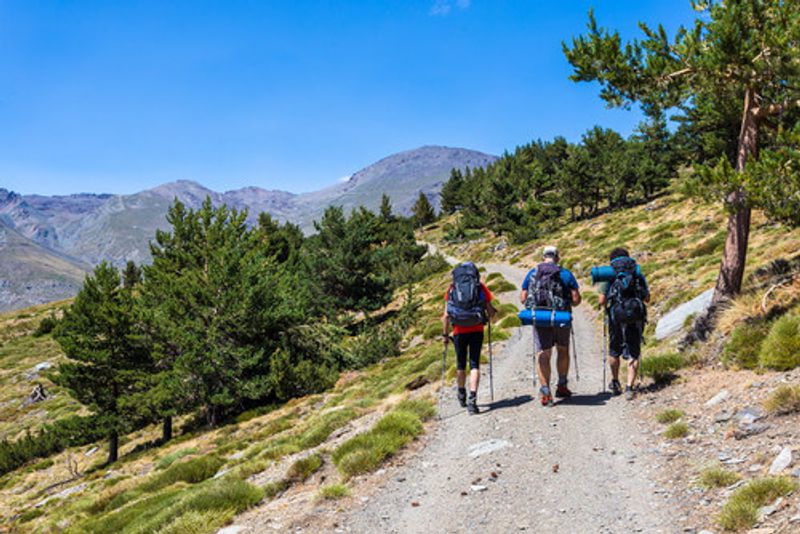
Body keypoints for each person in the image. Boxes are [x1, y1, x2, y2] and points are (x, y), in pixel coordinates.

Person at [520, 245, 581, 406]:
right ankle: (561, 386)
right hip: (561, 318)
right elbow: (575, 299)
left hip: (541, 319)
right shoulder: (565, 274)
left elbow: (523, 298)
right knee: (562, 349)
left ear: (543, 257)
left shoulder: (532, 273)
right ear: (557, 257)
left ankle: (545, 390)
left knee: (543, 353)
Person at [443, 262, 496, 414]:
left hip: (459, 331)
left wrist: (445, 335)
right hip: (477, 329)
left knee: (460, 364)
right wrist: (491, 314)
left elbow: (446, 316)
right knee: (474, 364)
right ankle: (473, 399)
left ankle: (461, 393)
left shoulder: (452, 289)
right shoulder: (480, 287)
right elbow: (490, 310)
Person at [598, 248, 650, 400]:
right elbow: (647, 298)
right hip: (635, 316)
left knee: (614, 350)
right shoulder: (636, 272)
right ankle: (629, 387)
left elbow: (602, 301)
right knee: (633, 349)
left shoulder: (609, 274)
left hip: (616, 317)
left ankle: (615, 382)